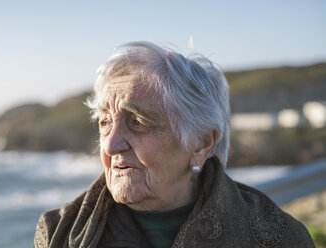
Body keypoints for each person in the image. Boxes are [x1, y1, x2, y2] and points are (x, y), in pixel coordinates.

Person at [33, 41, 315, 248]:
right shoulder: (58, 233)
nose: (110, 146)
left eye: (138, 122)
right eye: (105, 122)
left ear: (201, 143)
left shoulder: (279, 237)